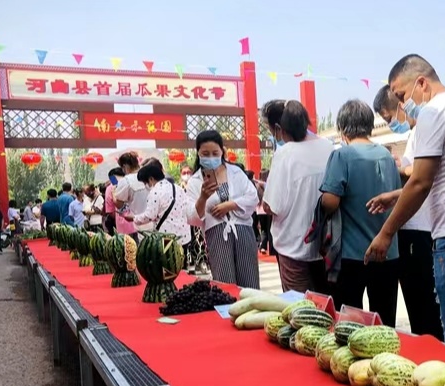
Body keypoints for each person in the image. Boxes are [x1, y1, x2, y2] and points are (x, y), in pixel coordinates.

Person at [365, 54, 445, 349]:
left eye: (402, 96)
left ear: (421, 83)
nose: (403, 106)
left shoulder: (434, 112)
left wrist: (386, 233)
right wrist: (395, 195)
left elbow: (420, 181)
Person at [369, 85, 443, 340]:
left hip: (419, 231)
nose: (391, 124)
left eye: (389, 118)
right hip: (421, 230)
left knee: (425, 310)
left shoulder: (425, 126)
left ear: (400, 103)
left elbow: (421, 178)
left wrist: (403, 170)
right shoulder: (415, 131)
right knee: (422, 309)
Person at [320, 99, 401, 326]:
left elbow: (330, 202)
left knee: (350, 323)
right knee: (384, 322)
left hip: (352, 254)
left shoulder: (342, 156)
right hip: (387, 251)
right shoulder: (386, 156)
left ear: (342, 128)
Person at [262, 100, 334, 294]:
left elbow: (271, 206)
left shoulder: (285, 153)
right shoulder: (329, 147)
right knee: (325, 309)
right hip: (325, 248)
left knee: (299, 313)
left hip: (293, 248)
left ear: (279, 128)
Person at [186, 130, 260, 288]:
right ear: (198, 153)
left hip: (243, 231)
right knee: (225, 283)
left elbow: (252, 197)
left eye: (215, 153)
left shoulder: (235, 172)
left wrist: (230, 205)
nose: (211, 157)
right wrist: (203, 197)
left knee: (250, 282)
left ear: (222, 151)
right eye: (205, 153)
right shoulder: (194, 181)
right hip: (216, 234)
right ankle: (228, 312)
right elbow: (192, 217)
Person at [126, 159, 191, 250]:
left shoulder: (155, 192)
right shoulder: (177, 188)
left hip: (168, 237)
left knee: (169, 262)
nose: (146, 185)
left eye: (145, 182)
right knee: (182, 262)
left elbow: (149, 216)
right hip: (184, 236)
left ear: (151, 179)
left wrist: (134, 218)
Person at [115, 152, 149, 239]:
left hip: (140, 226)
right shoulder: (149, 176)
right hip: (157, 225)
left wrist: (113, 193)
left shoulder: (126, 181)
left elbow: (119, 204)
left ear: (125, 166)